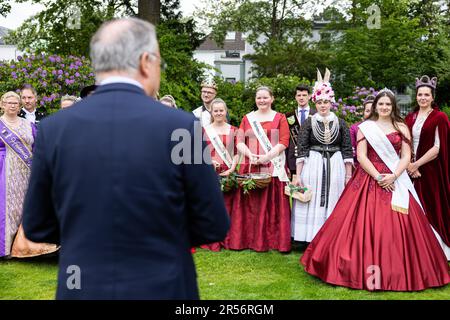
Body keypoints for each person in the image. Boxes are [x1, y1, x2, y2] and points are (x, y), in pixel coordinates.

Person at [21, 17, 229, 300]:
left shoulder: (53, 129)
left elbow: (37, 224)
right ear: (146, 61)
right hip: (163, 284)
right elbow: (212, 222)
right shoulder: (182, 126)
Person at [300, 89, 450, 291]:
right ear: (376, 106)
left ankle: (398, 271)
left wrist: (394, 176)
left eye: (388, 104)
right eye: (381, 104)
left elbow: (406, 156)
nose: (385, 107)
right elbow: (361, 156)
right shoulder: (366, 127)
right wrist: (379, 177)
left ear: (393, 106)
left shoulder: (401, 126)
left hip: (395, 177)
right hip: (369, 179)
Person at [227, 86, 291, 252]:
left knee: (271, 204)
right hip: (251, 164)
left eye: (265, 97)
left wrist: (267, 157)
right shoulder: (247, 118)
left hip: (272, 165)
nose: (262, 101)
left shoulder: (280, 118)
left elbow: (284, 141)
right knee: (251, 204)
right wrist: (249, 155)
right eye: (259, 98)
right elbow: (239, 141)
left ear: (272, 99)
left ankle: (273, 240)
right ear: (255, 100)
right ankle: (247, 239)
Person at [292, 69, 353, 243]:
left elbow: (347, 149)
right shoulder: (309, 122)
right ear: (315, 103)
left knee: (333, 196)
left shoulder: (341, 123)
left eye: (326, 102)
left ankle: (332, 237)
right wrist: (298, 175)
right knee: (313, 198)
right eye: (319, 102)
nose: (323, 105)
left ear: (331, 102)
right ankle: (310, 237)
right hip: (314, 164)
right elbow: (302, 149)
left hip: (335, 165)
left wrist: (348, 176)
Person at [0, 92, 59, 258]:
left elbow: (37, 147)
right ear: (2, 104)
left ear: (19, 106)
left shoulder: (28, 124)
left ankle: (22, 247)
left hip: (27, 171)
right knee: (7, 207)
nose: (12, 105)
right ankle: (4, 249)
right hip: (5, 170)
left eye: (15, 103)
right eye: (8, 102)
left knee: (24, 206)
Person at [405, 75, 450, 260]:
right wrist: (408, 164)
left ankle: (437, 249)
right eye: (420, 94)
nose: (423, 98)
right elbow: (403, 142)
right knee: (412, 208)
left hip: (430, 170)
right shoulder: (410, 117)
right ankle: (416, 248)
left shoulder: (440, 117)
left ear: (432, 97)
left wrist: (416, 164)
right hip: (409, 169)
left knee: (430, 206)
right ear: (416, 96)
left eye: (426, 95)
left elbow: (438, 148)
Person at [201, 98, 239, 251]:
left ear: (225, 111)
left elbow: (236, 153)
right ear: (211, 112)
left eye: (221, 110)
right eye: (215, 110)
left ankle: (229, 239)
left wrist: (232, 168)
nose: (218, 113)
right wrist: (209, 160)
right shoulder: (204, 130)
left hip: (228, 171)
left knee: (228, 206)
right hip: (210, 172)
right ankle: (212, 239)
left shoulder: (234, 130)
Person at [285, 84, 316, 175]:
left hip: (312, 158)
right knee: (295, 188)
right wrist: (285, 164)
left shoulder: (316, 115)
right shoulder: (288, 116)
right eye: (299, 95)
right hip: (292, 159)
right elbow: (286, 140)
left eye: (304, 95)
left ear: (309, 96)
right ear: (295, 97)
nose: (301, 98)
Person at [349, 95, 375, 164]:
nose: (371, 114)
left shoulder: (384, 127)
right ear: (363, 112)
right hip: (359, 164)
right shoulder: (354, 128)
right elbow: (351, 149)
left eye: (374, 111)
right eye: (367, 111)